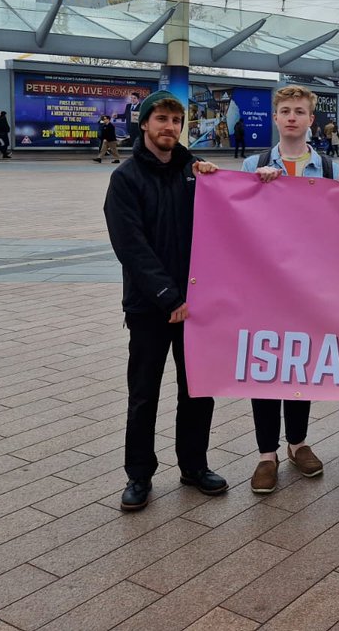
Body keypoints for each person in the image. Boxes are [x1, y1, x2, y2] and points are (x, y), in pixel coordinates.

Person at [103, 90, 227, 511]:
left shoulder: (197, 173)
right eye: (162, 120)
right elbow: (130, 246)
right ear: (144, 124)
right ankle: (139, 475)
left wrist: (221, 182)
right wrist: (166, 295)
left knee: (198, 390)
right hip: (149, 307)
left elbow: (229, 224)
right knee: (144, 393)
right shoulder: (125, 179)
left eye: (176, 121)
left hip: (196, 307)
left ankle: (193, 465)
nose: (170, 127)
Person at [242, 85, 339, 493]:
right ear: (275, 118)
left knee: (300, 364)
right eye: (285, 110)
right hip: (264, 288)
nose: (292, 117)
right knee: (266, 366)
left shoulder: (325, 168)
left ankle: (298, 442)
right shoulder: (253, 164)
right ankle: (266, 454)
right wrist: (251, 185)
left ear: (311, 120)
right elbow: (232, 217)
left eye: (299, 111)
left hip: (307, 288)